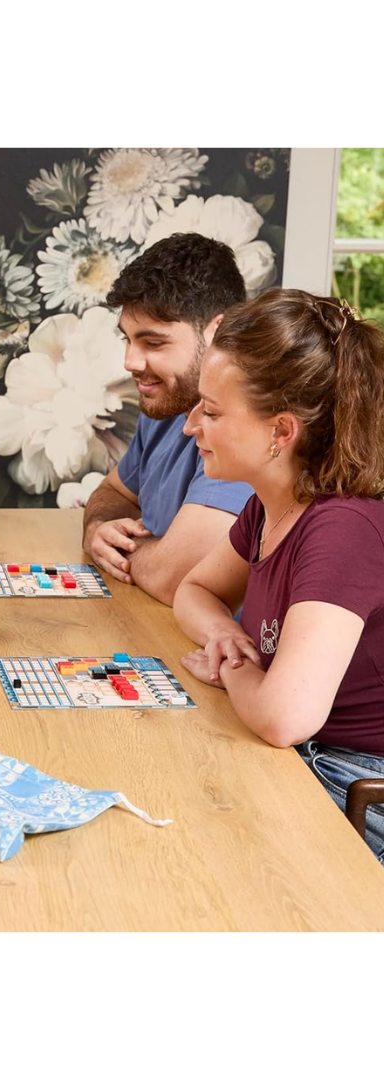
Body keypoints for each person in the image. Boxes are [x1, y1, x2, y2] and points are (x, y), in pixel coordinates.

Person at [174, 289, 384, 864]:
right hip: (309, 755)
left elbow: (285, 718)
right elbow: (195, 590)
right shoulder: (271, 506)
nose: (191, 426)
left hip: (356, 784)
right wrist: (222, 633)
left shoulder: (342, 529)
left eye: (212, 412)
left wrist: (233, 668)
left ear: (281, 432)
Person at [82, 233, 254, 605]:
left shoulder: (248, 429)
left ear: (219, 330)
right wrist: (99, 529)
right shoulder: (166, 402)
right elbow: (115, 492)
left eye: (154, 343)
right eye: (128, 340)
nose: (130, 362)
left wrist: (121, 554)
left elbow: (174, 578)